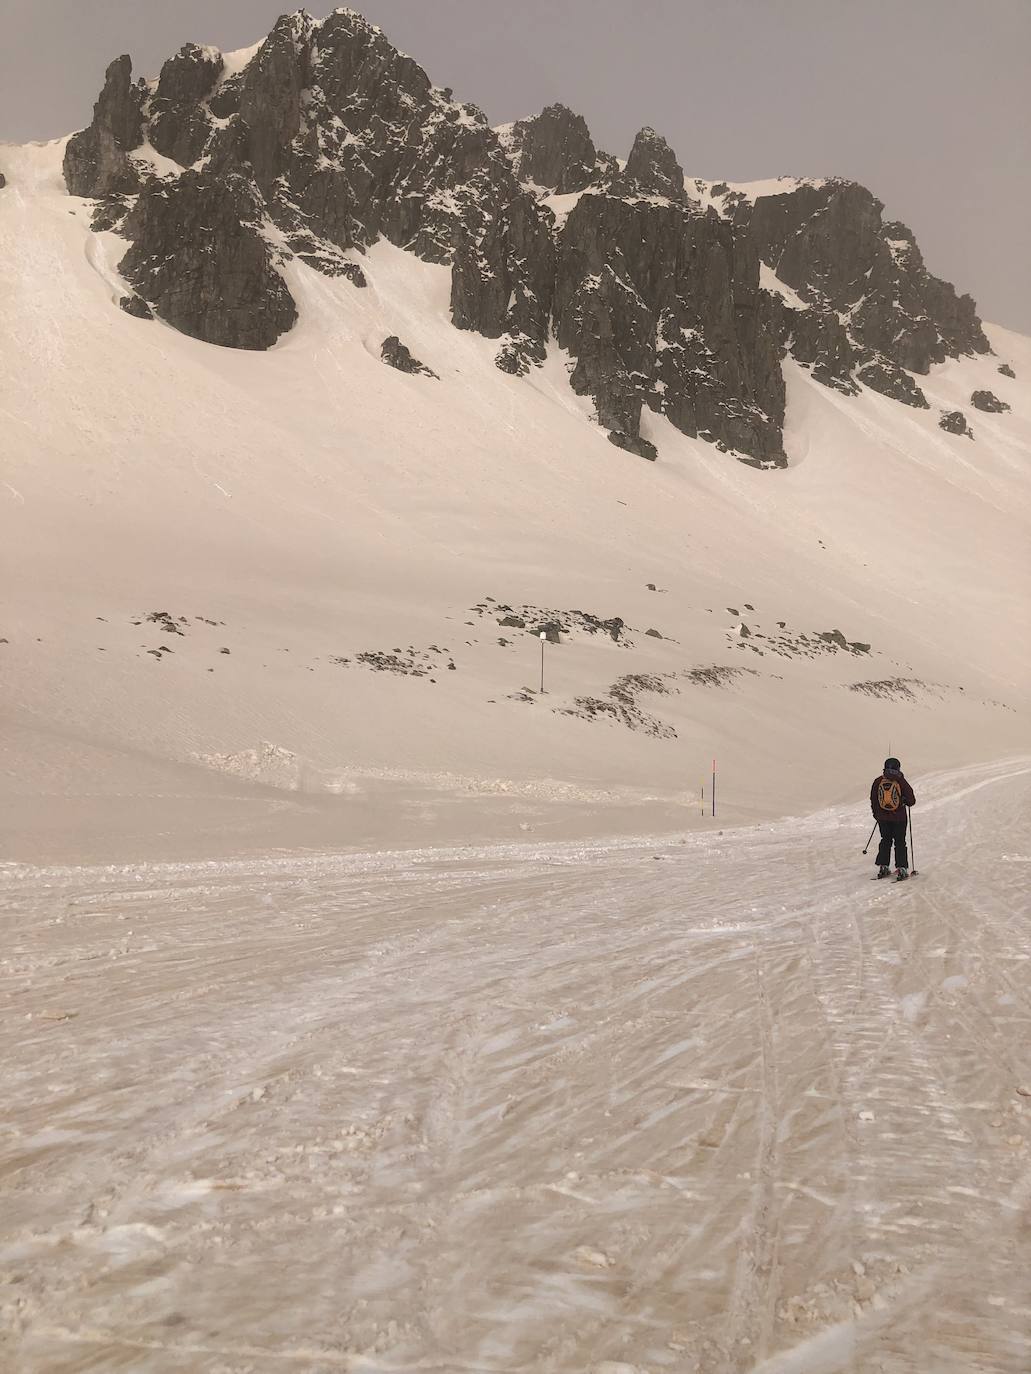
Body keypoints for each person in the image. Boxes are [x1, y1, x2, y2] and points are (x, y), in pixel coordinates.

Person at [870, 757, 916, 880]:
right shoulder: (900, 781)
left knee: (885, 840)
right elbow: (911, 800)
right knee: (900, 842)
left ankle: (883, 867)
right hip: (899, 818)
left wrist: (877, 815)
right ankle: (902, 869)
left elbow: (874, 800)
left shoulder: (878, 781)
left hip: (883, 819)